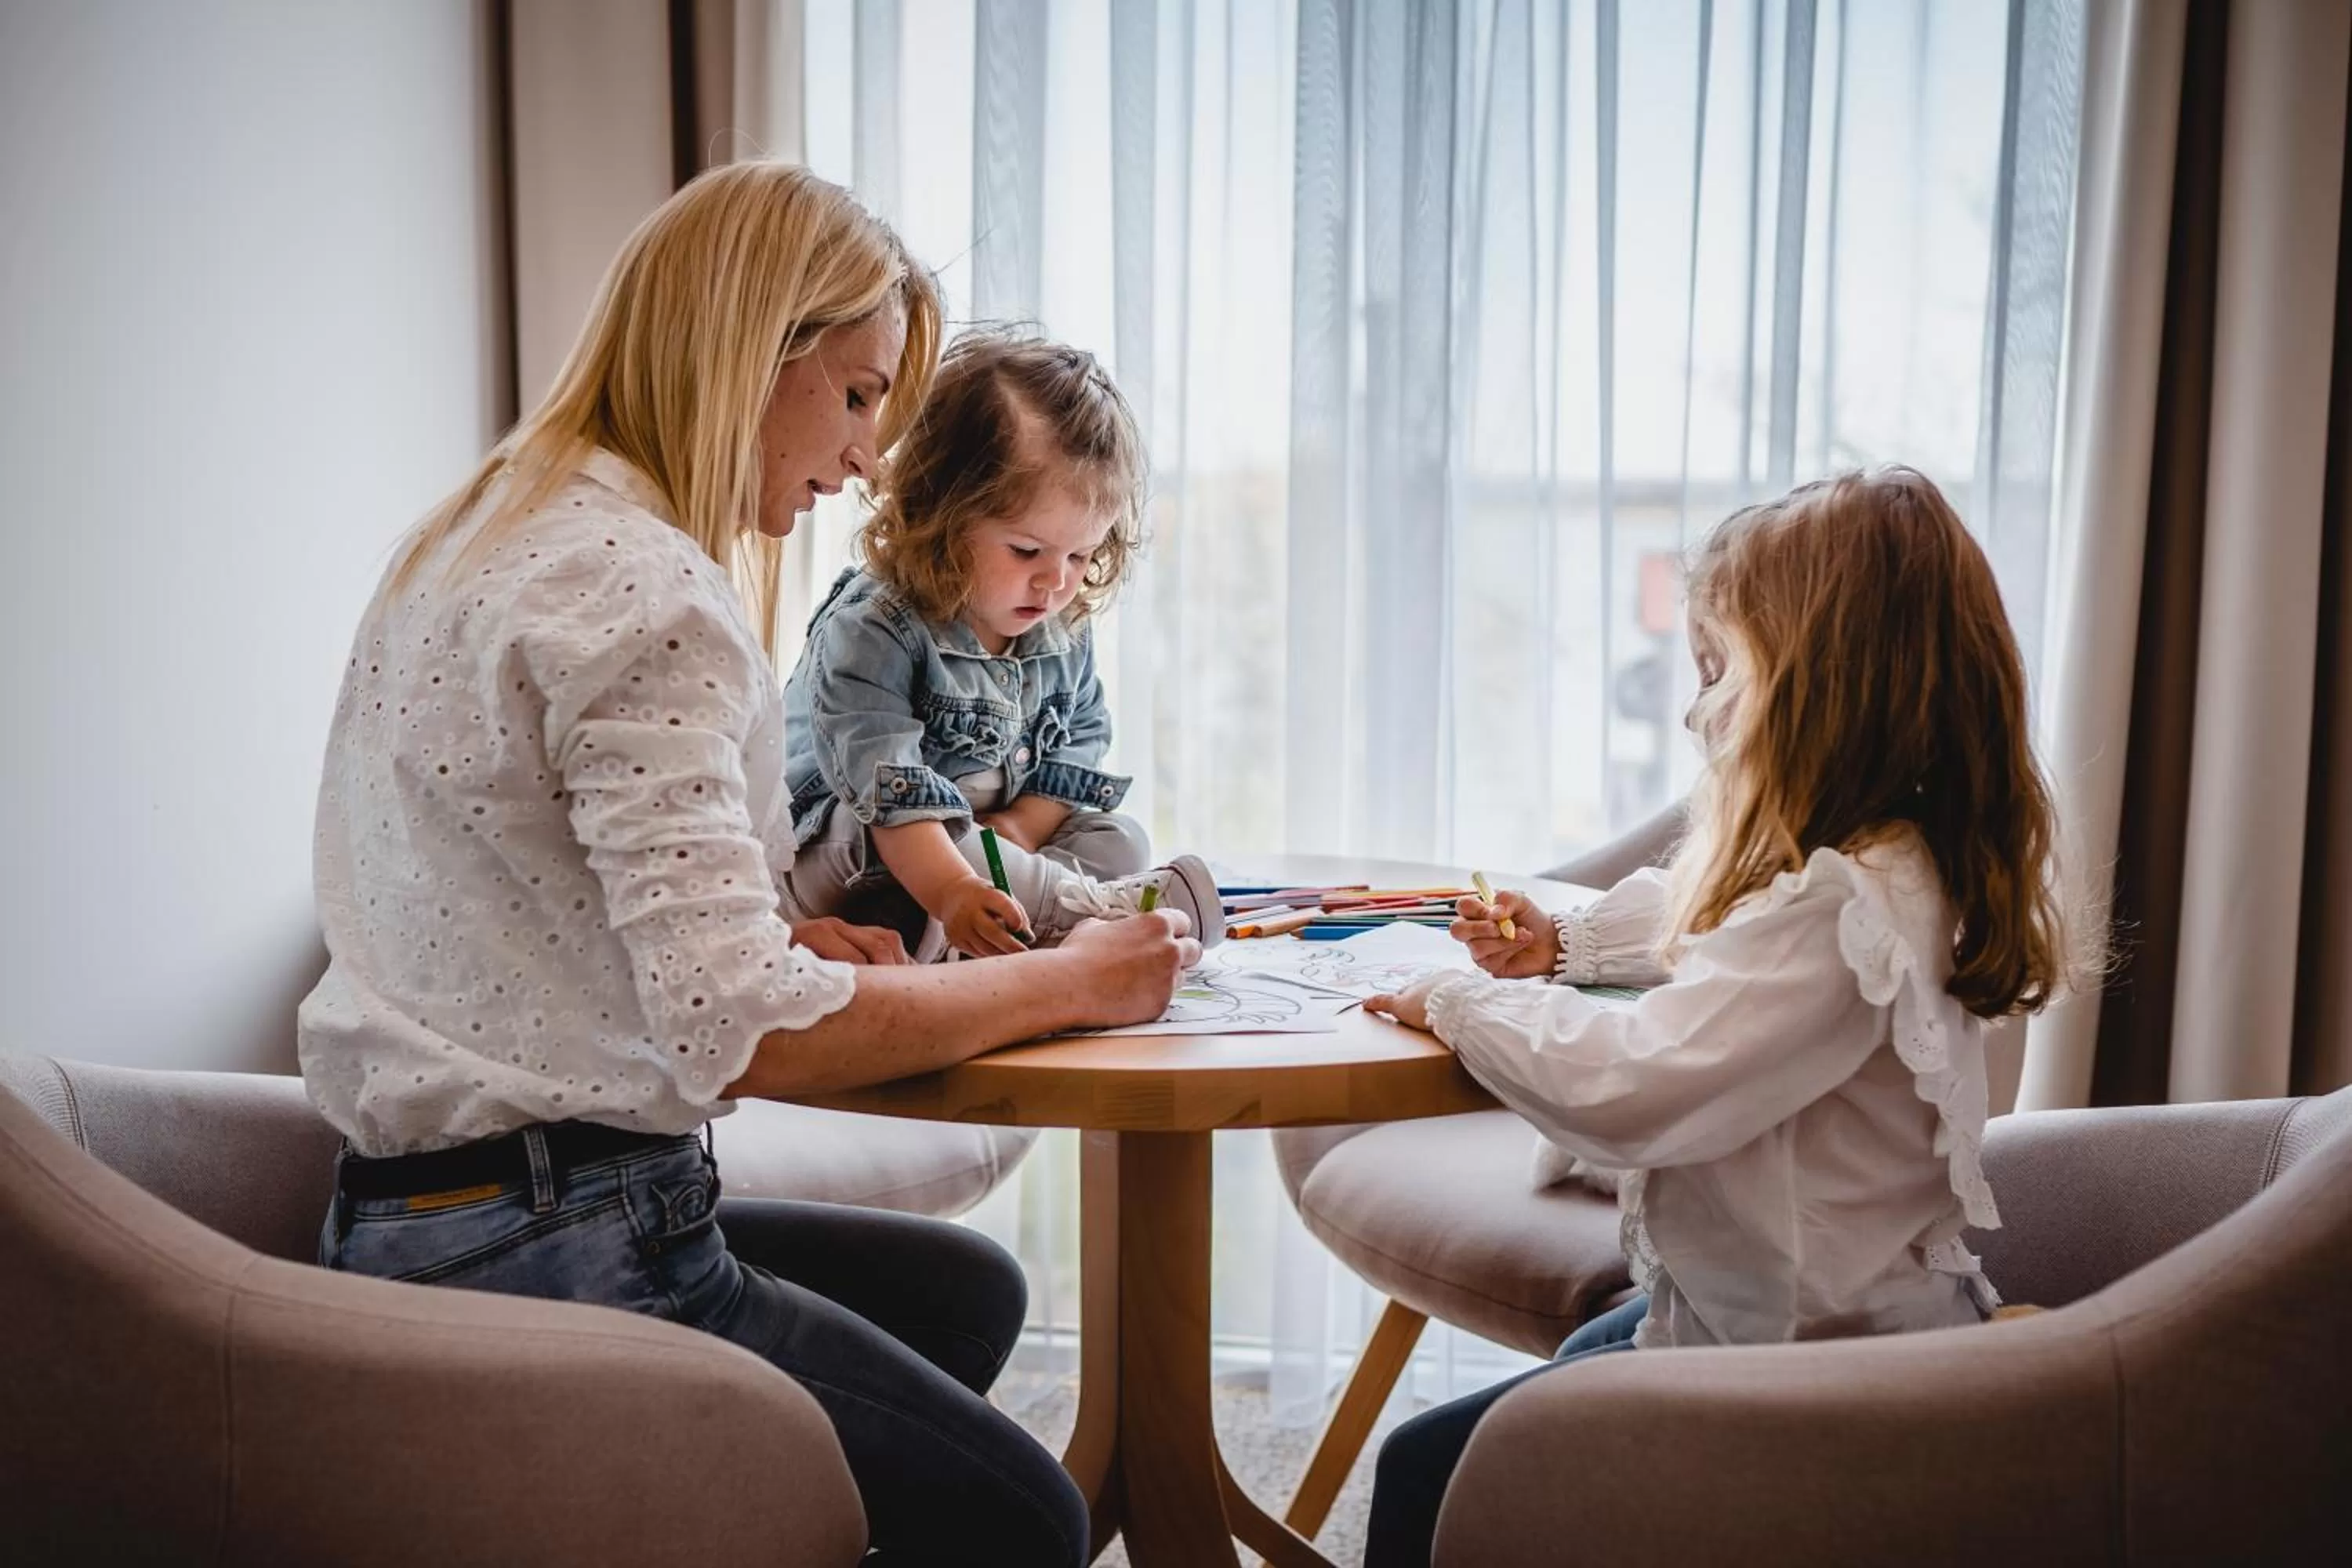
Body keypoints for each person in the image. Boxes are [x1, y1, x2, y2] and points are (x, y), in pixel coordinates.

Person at [299, 162, 1193, 1568]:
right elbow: (745, 1033)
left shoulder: (487, 529)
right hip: (563, 1244)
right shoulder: (644, 589)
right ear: (746, 349)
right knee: (1032, 1521)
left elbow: (553, 894)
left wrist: (783, 931)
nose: (868, 456)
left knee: (960, 1299)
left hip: (411, 1211)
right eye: (853, 394)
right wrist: (1079, 984)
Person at [1359, 466, 2074, 1567]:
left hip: (1811, 1372)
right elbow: (1737, 956)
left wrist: (1461, 1000)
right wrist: (1571, 946)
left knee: (1426, 1472)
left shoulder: (1845, 907)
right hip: (1795, 1317)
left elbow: (1629, 1088)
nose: (1699, 710)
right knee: (1551, 1401)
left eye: (1719, 670)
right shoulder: (1891, 869)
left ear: (1821, 689)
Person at [782, 328, 1221, 960]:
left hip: (980, 846)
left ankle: (1005, 920)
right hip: (856, 848)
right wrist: (959, 886)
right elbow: (888, 794)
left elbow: (1079, 743)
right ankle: (1063, 917)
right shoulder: (874, 627)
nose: (1056, 580)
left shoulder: (1057, 623)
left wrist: (1016, 831)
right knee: (902, 833)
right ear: (940, 514)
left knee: (1119, 838)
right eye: (1026, 550)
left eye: (1081, 554)